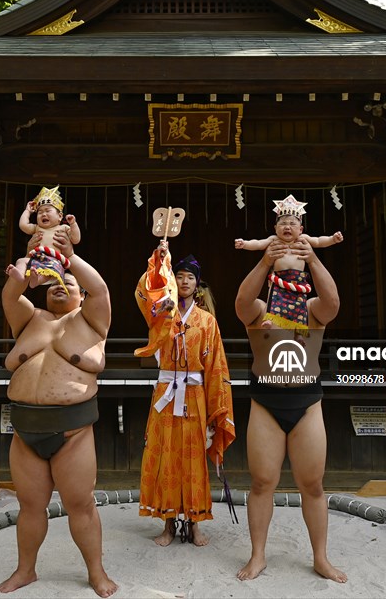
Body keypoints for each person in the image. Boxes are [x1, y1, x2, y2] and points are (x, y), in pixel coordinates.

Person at [0, 230, 117, 597]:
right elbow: (10, 295)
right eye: (53, 283)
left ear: (81, 294)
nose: (60, 285)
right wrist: (24, 271)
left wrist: (69, 258)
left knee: (80, 506)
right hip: (25, 428)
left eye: (68, 283)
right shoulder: (28, 320)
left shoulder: (91, 322)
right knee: (30, 505)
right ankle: (25, 570)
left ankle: (96, 573)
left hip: (73, 432)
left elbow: (101, 290)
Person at [234, 235, 347, 584]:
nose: (293, 283)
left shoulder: (313, 310)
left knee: (312, 484)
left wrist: (313, 258)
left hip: (307, 403)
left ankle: (321, 558)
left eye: (299, 277)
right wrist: (265, 260)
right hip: (266, 402)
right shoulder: (260, 312)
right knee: (262, 482)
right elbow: (241, 300)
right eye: (286, 277)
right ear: (274, 282)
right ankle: (258, 555)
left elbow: (333, 301)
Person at [134, 242, 235, 546]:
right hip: (166, 392)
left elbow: (216, 365)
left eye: (190, 277)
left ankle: (194, 523)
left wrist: (218, 408)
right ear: (173, 280)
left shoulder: (207, 321)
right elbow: (143, 292)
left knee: (193, 458)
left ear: (198, 284)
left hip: (195, 395)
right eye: (179, 276)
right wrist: (158, 260)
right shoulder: (161, 314)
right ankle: (167, 524)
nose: (185, 281)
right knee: (166, 454)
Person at [234, 195, 342, 331]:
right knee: (274, 298)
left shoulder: (304, 240)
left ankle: (299, 332)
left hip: (298, 281)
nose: (287, 227)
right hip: (278, 279)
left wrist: (332, 240)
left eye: (292, 224)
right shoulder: (273, 240)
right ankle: (269, 318)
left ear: (301, 229)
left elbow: (320, 241)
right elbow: (258, 243)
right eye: (283, 224)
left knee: (299, 306)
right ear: (275, 228)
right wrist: (245, 244)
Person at [17, 185, 81, 290]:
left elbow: (76, 239)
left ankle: (36, 281)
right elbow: (23, 226)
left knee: (47, 273)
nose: (43, 214)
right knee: (21, 261)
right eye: (40, 212)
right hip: (37, 259)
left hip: (53, 261)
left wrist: (73, 224)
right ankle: (19, 275)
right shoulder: (37, 228)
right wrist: (27, 211)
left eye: (47, 211)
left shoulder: (63, 228)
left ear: (60, 216)